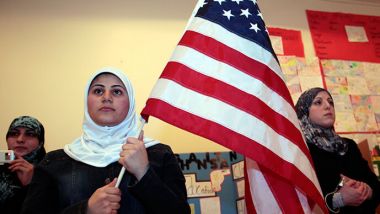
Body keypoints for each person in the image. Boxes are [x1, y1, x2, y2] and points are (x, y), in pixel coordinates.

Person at [21, 68, 190, 214]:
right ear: (86, 101)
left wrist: (144, 173)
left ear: (130, 102)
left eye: (116, 91)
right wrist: (85, 210)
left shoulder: (159, 154)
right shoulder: (54, 162)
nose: (106, 97)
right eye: (98, 91)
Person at [295, 87, 380, 213]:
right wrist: (338, 199)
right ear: (304, 111)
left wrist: (368, 191)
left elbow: (375, 185)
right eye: (318, 102)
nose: (328, 106)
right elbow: (299, 201)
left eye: (331, 102)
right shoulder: (301, 149)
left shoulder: (348, 145)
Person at [0, 116, 46, 214]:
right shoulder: (1, 165)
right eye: (14, 134)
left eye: (30, 134)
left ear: (40, 142)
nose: (20, 139)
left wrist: (31, 185)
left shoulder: (50, 171)